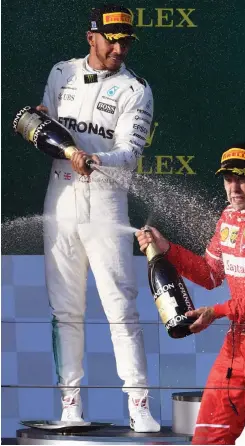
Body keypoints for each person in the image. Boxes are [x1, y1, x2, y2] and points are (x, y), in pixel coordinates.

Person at [36, 4, 160, 432]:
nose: (120, 48)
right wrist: (35, 124)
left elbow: (131, 152)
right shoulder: (60, 73)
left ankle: (139, 405)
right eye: (113, 39)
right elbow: (43, 124)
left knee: (120, 306)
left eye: (126, 40)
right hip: (60, 196)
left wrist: (97, 158)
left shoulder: (135, 89)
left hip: (106, 198)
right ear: (92, 37)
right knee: (65, 308)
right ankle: (70, 405)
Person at [136, 142, 245, 444]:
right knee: (207, 438)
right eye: (228, 179)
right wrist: (168, 250)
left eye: (241, 177)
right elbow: (210, 273)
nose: (234, 187)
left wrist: (215, 312)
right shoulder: (229, 217)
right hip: (237, 343)